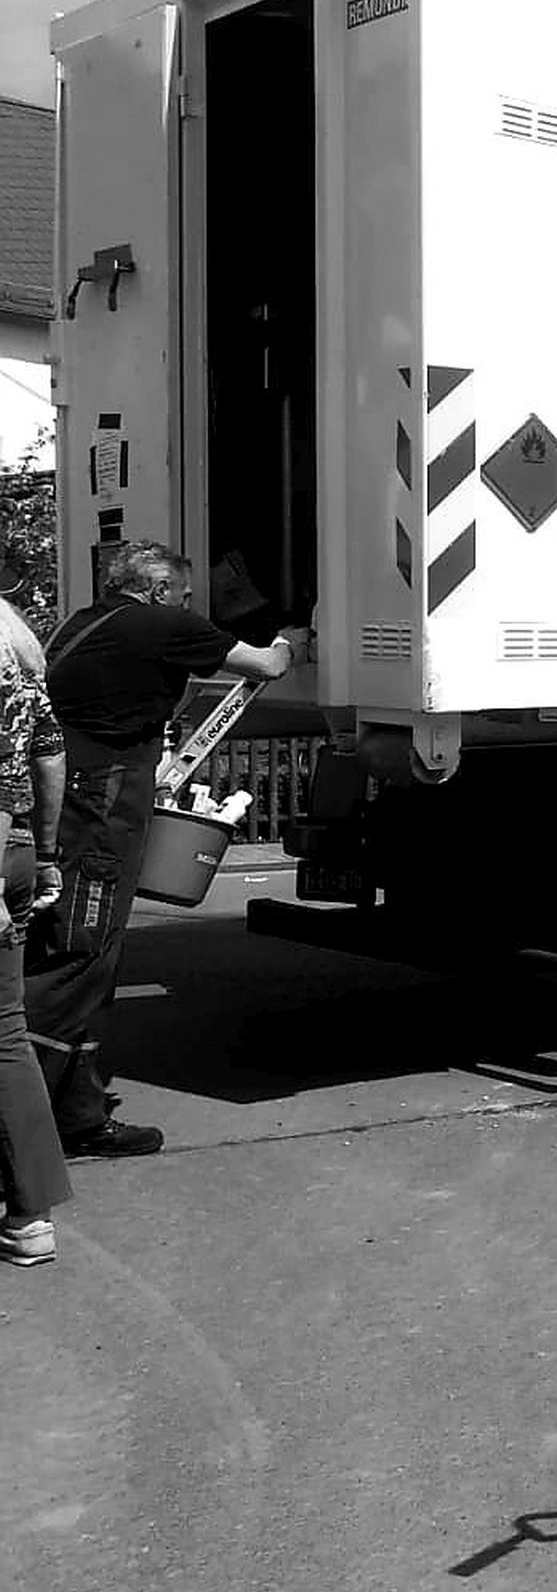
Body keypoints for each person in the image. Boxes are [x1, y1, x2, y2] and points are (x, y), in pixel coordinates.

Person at [26, 541, 296, 1158]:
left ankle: (79, 1115)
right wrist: (291, 639)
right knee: (77, 955)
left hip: (79, 797)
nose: (189, 606)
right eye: (184, 595)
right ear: (157, 591)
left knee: (94, 961)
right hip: (98, 808)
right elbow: (269, 666)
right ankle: (21, 1123)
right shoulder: (160, 624)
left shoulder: (88, 622)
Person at [0, 591, 73, 1263]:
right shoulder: (18, 651)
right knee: (6, 1034)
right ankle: (30, 1217)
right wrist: (44, 855)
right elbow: (49, 754)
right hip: (18, 848)